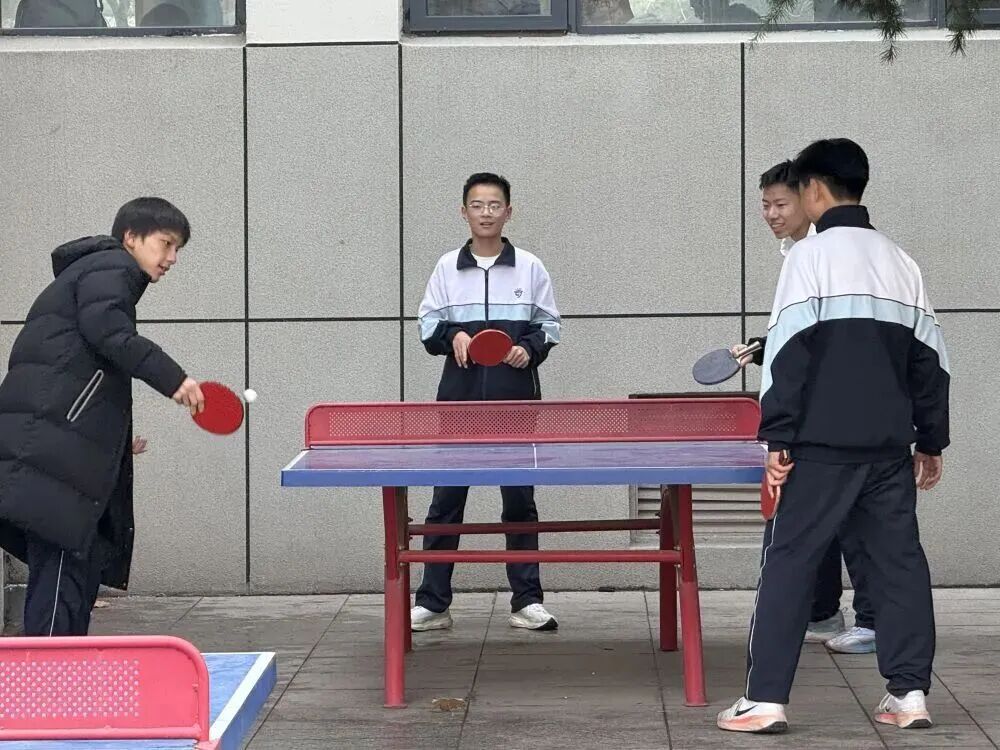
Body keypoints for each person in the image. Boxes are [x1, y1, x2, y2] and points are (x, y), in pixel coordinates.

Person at [717, 139, 949, 733]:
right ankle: (909, 696)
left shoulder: (808, 258)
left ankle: (765, 701)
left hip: (818, 448)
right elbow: (930, 361)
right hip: (889, 448)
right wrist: (931, 440)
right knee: (899, 566)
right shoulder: (901, 261)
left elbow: (787, 354)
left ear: (815, 189)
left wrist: (776, 439)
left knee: (788, 562)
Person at [0, 197, 206, 637]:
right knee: (60, 573)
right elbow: (109, 333)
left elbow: (73, 375)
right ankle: (45, 673)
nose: (172, 258)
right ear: (130, 237)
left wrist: (112, 440)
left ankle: (63, 669)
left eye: (177, 249)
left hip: (53, 448)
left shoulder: (93, 275)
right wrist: (174, 379)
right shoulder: (112, 267)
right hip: (51, 456)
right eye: (166, 243)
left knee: (74, 569)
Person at [733, 161, 876, 655]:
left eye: (781, 204)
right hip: (813, 416)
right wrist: (765, 346)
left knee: (858, 522)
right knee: (821, 520)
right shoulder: (798, 251)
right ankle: (822, 611)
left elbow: (834, 334)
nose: (771, 214)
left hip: (842, 416)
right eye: (765, 205)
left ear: (810, 197)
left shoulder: (825, 251)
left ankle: (873, 622)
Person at [412, 172, 562, 633]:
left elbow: (550, 326)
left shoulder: (530, 267)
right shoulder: (446, 268)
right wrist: (453, 334)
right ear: (464, 212)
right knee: (446, 501)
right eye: (477, 205)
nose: (486, 213)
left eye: (494, 205)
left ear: (508, 212)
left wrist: (528, 348)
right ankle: (433, 603)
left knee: (519, 500)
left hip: (515, 403)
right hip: (458, 403)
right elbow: (426, 326)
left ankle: (527, 601)